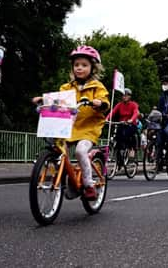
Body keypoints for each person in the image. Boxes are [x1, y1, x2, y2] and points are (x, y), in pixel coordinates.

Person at [32, 45, 109, 200]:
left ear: (93, 68)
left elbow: (105, 102)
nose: (79, 68)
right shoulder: (67, 87)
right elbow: (59, 99)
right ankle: (70, 181)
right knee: (59, 150)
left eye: (84, 65)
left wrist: (99, 103)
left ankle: (88, 184)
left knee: (81, 151)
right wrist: (43, 99)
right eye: (76, 65)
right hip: (68, 126)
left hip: (89, 128)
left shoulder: (97, 87)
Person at [107, 88, 140, 157]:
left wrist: (131, 120)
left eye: (126, 95)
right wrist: (107, 119)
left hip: (130, 124)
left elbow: (136, 112)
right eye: (123, 95)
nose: (124, 97)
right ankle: (119, 151)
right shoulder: (119, 104)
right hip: (122, 123)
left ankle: (131, 149)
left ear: (129, 96)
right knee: (117, 136)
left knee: (130, 134)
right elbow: (113, 112)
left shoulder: (133, 104)